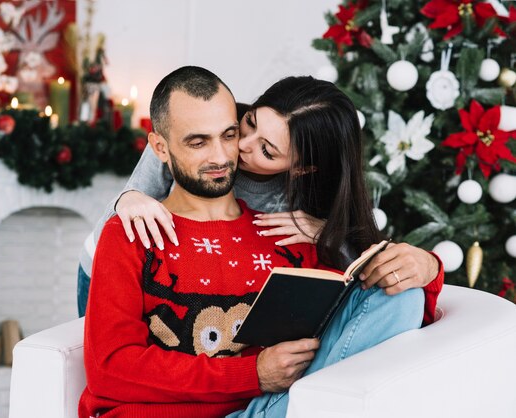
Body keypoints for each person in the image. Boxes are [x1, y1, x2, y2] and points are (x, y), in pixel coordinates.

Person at [79, 66, 430, 418]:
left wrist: (428, 266)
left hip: (266, 409)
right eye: (199, 142)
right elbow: (108, 369)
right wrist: (254, 374)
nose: (226, 154)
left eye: (229, 135)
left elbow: (374, 295)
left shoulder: (295, 231)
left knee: (402, 295)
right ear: (161, 147)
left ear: (300, 169)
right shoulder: (131, 230)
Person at [76, 75, 444, 323]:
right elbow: (120, 220)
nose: (237, 149)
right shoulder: (206, 127)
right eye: (248, 124)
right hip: (104, 273)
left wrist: (328, 234)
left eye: (267, 151)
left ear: (302, 169)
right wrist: (129, 198)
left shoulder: (307, 199)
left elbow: (368, 274)